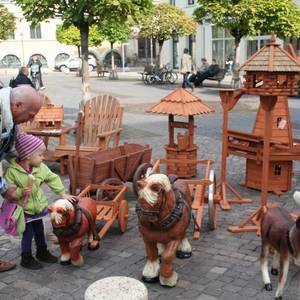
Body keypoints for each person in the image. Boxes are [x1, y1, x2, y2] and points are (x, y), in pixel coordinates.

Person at [4, 133, 76, 270]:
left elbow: (52, 178)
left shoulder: (40, 168)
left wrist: (62, 193)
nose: (43, 157)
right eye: (40, 155)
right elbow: (9, 191)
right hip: (23, 210)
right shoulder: (12, 172)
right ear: (28, 156)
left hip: (37, 208)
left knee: (39, 229)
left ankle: (42, 251)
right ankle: (26, 257)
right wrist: (20, 192)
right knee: (28, 233)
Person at [0, 85, 42, 272]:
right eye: (31, 113)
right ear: (16, 105)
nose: (32, 119)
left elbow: (16, 148)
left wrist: (32, 161)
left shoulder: (11, 121)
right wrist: (4, 187)